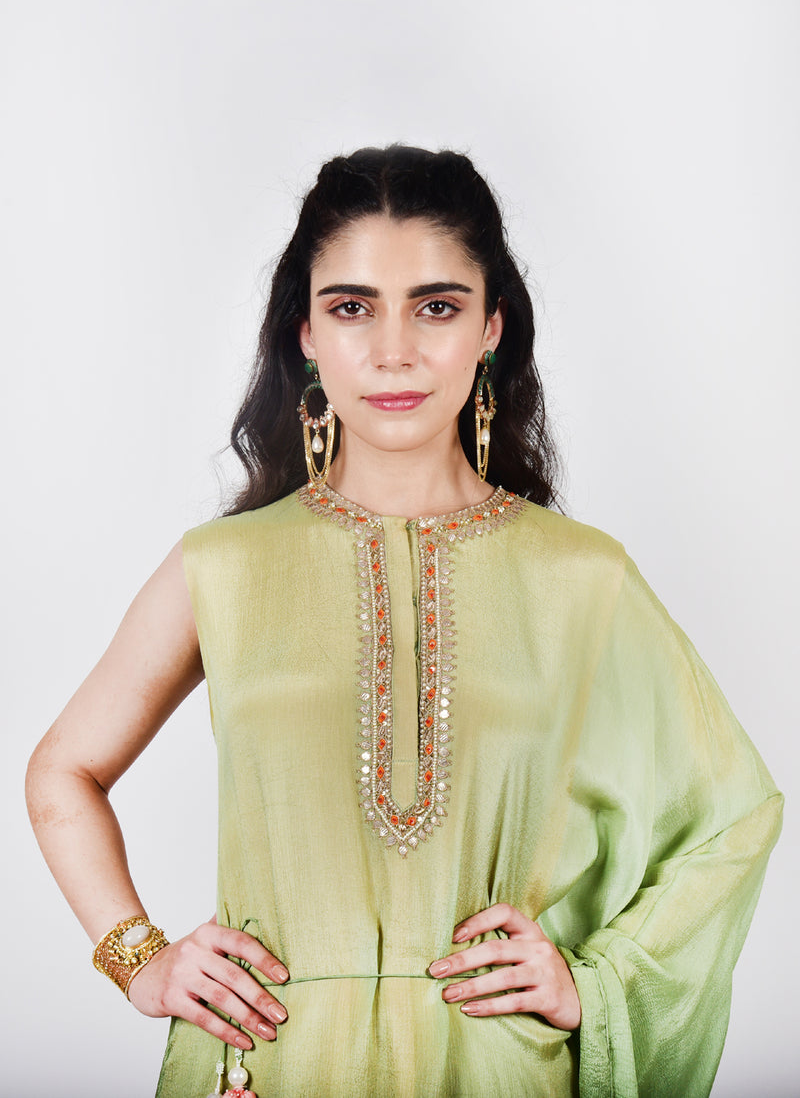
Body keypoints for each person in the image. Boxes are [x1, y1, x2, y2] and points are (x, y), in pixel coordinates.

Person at [26, 145, 782, 1098]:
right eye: (353, 308)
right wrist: (141, 960)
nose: (394, 351)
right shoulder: (222, 567)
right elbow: (64, 769)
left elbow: (731, 818)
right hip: (267, 1063)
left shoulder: (581, 576)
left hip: (499, 1066)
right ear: (305, 334)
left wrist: (594, 980)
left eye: (436, 307)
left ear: (490, 328)